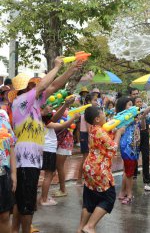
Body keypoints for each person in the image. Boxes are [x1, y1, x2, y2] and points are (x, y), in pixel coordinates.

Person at [11, 57, 84, 233]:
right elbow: (44, 86)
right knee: (27, 204)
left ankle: (15, 231)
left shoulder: (34, 105)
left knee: (21, 201)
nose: (34, 87)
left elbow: (53, 87)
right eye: (30, 85)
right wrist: (57, 65)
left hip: (31, 162)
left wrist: (70, 70)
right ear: (24, 89)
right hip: (25, 163)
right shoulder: (20, 102)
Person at [77, 107, 124, 233]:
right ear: (97, 119)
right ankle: (90, 226)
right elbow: (113, 147)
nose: (105, 115)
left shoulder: (94, 129)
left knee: (90, 199)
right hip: (99, 168)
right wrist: (119, 133)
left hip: (89, 167)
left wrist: (114, 128)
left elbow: (106, 137)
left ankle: (81, 228)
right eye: (103, 113)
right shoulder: (99, 130)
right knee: (109, 197)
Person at [40, 99, 80, 205]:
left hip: (48, 148)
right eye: (47, 107)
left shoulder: (44, 119)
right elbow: (62, 126)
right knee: (49, 175)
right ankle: (44, 199)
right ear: (42, 110)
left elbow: (55, 117)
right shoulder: (46, 123)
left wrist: (66, 104)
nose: (50, 108)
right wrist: (73, 118)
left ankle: (44, 196)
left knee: (49, 174)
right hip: (48, 149)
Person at [134, 96, 150, 192]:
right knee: (134, 156)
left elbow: (147, 121)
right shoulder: (133, 111)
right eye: (137, 102)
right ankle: (133, 174)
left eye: (140, 101)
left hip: (144, 134)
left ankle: (146, 181)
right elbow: (142, 115)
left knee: (146, 157)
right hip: (135, 135)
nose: (139, 103)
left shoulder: (145, 110)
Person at [76, 93, 99, 186]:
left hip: (85, 135)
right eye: (95, 100)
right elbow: (90, 129)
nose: (96, 102)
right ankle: (79, 179)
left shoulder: (88, 110)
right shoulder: (88, 111)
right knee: (85, 158)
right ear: (89, 102)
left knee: (87, 158)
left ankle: (84, 178)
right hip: (86, 135)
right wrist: (91, 140)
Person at [0, 109, 16, 233]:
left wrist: (14, 174)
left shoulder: (3, 117)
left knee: (4, 215)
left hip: (3, 173)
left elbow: (11, 147)